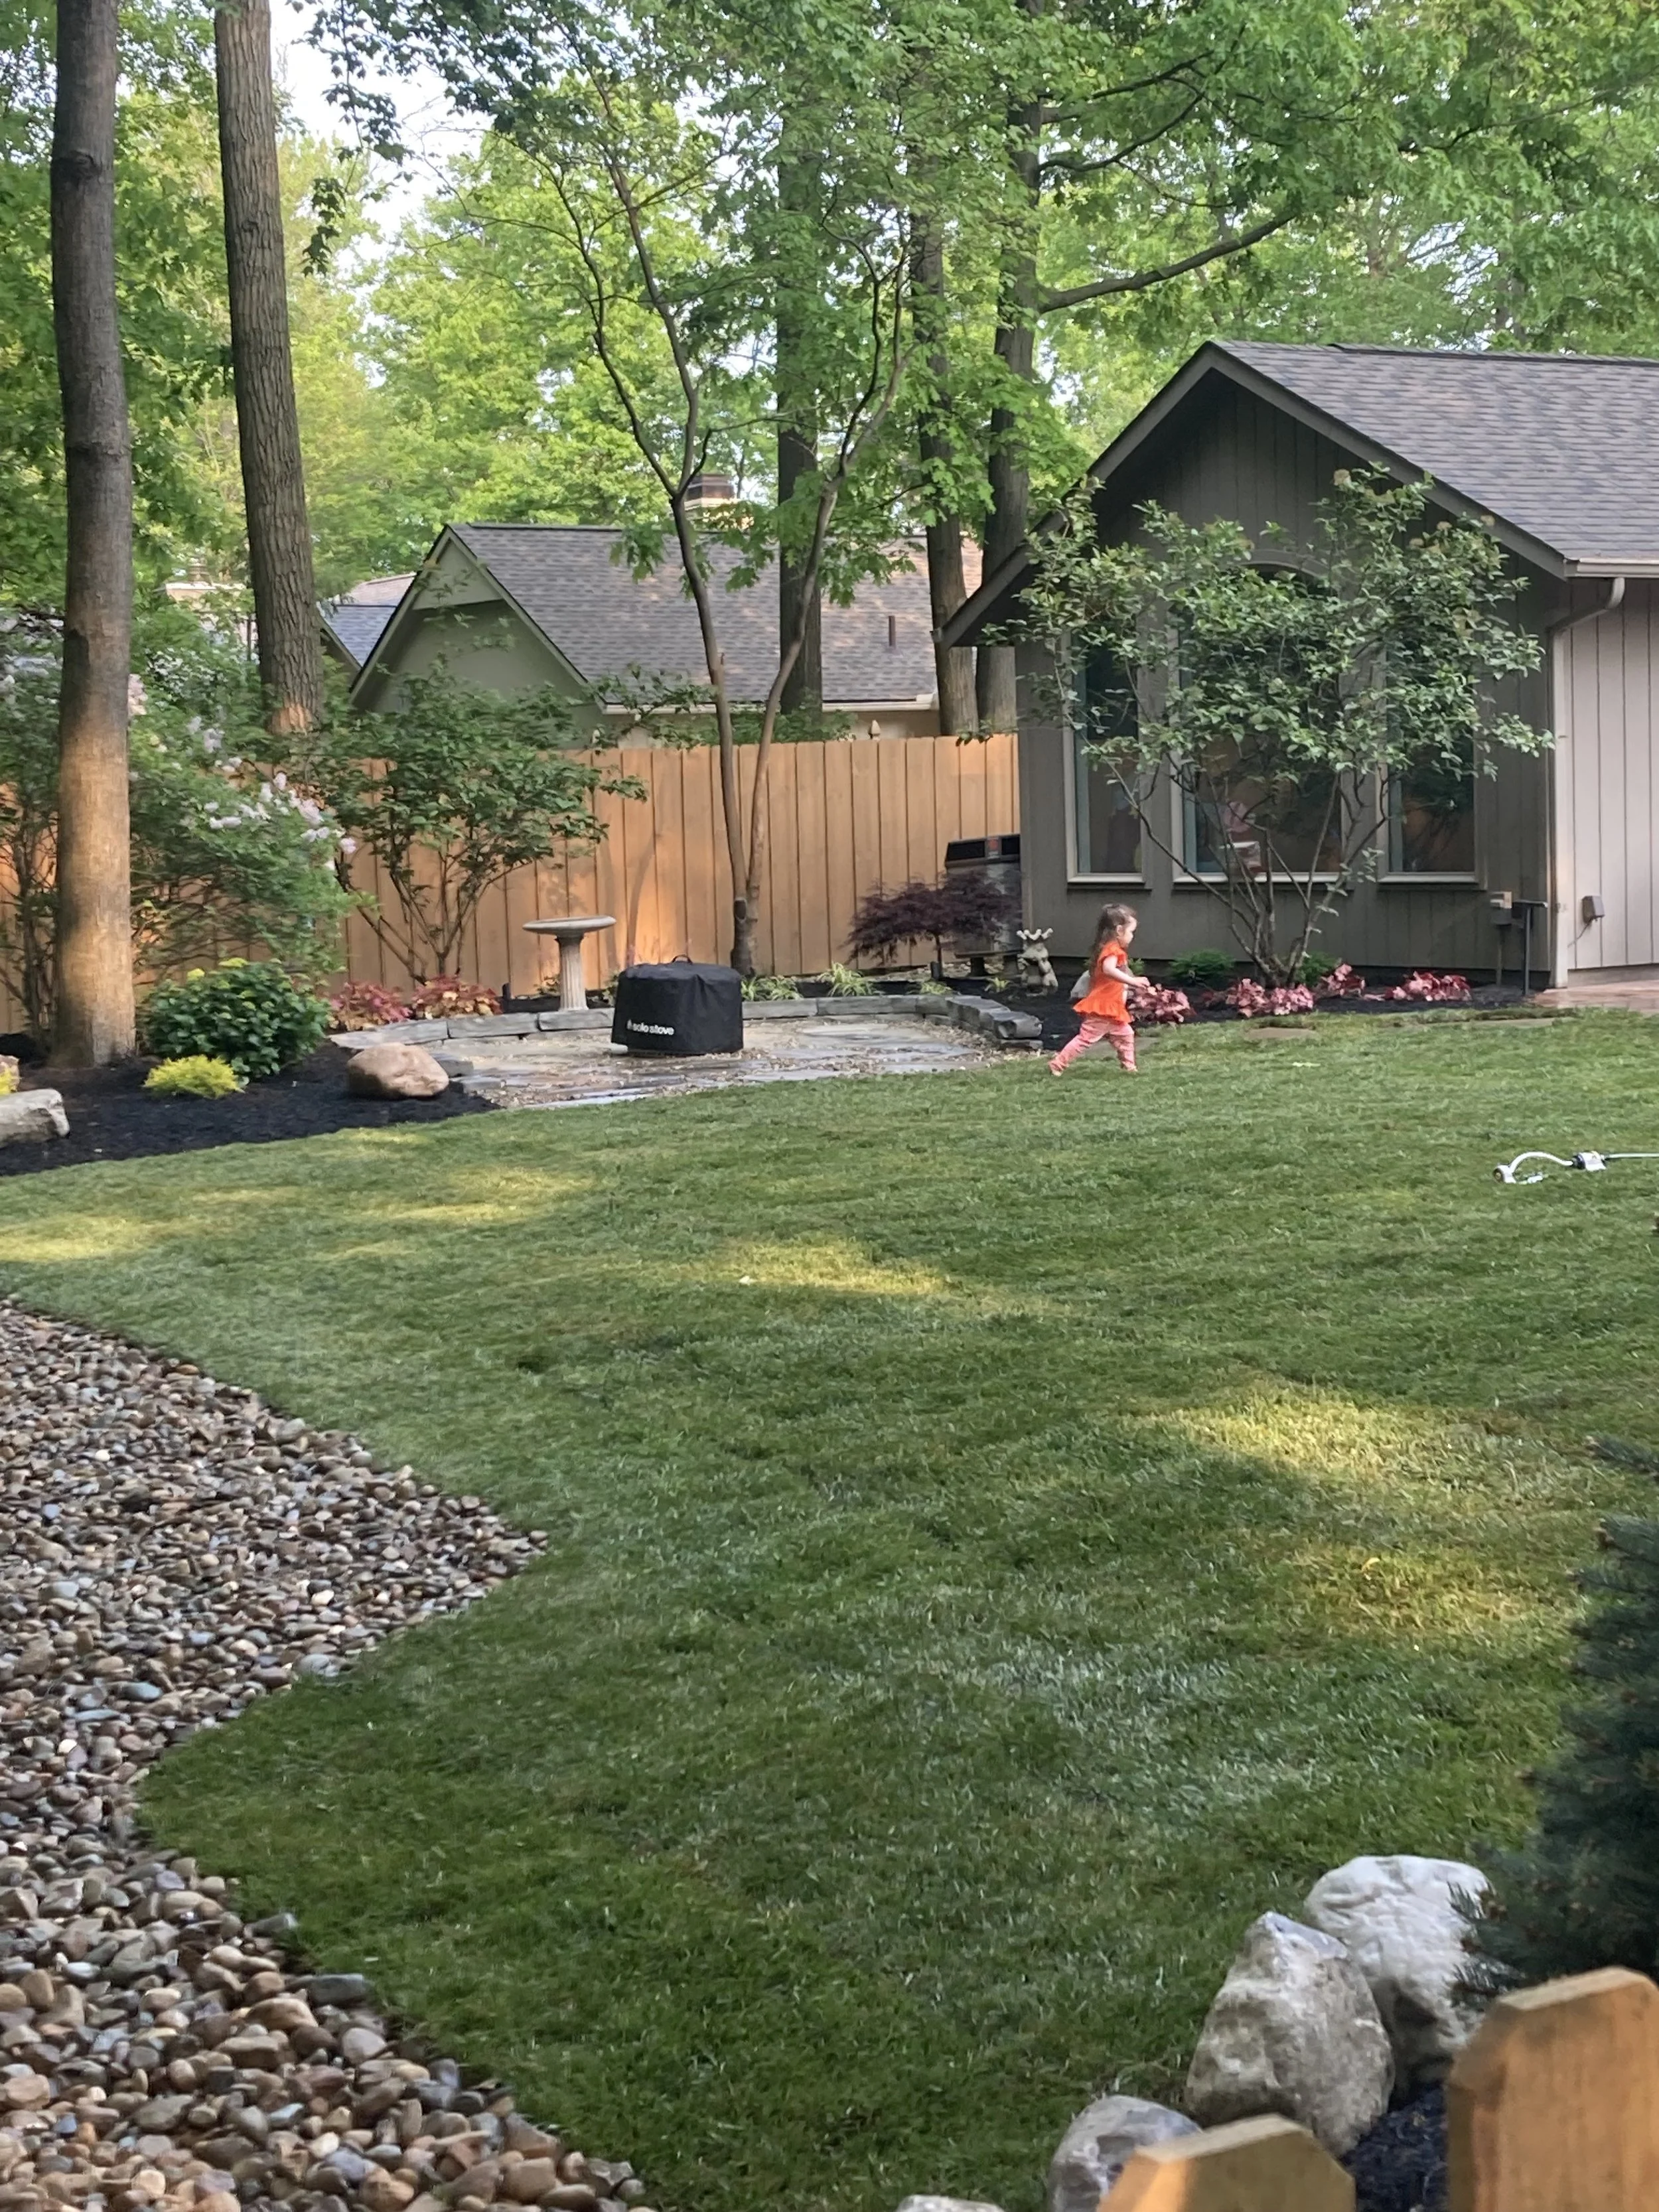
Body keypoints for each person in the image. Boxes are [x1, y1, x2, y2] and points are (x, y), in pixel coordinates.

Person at [1050, 902, 1143, 1076]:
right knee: (1086, 1039)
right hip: (1103, 1008)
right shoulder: (1113, 951)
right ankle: (1058, 1064)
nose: (1132, 936)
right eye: (1131, 932)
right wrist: (1133, 981)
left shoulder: (1111, 949)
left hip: (1112, 1008)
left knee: (1126, 1035)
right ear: (1119, 930)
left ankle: (1130, 1068)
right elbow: (1109, 970)